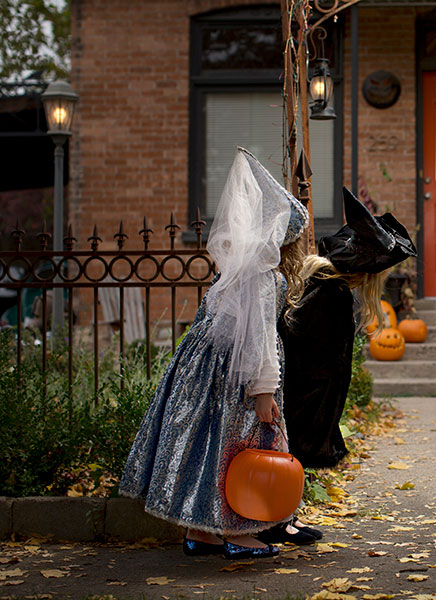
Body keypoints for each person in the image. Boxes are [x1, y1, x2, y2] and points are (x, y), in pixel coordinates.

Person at [119, 147, 313, 559]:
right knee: (239, 447)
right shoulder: (263, 277)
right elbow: (258, 336)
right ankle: (237, 532)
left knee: (205, 444)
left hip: (203, 368)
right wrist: (263, 390)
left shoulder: (236, 271)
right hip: (238, 374)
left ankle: (200, 531)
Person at [257, 188, 415, 545]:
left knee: (290, 454)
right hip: (304, 390)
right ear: (366, 272)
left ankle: (284, 518)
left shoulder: (329, 286)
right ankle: (274, 521)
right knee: (287, 452)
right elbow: (302, 342)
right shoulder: (331, 293)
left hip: (311, 390)